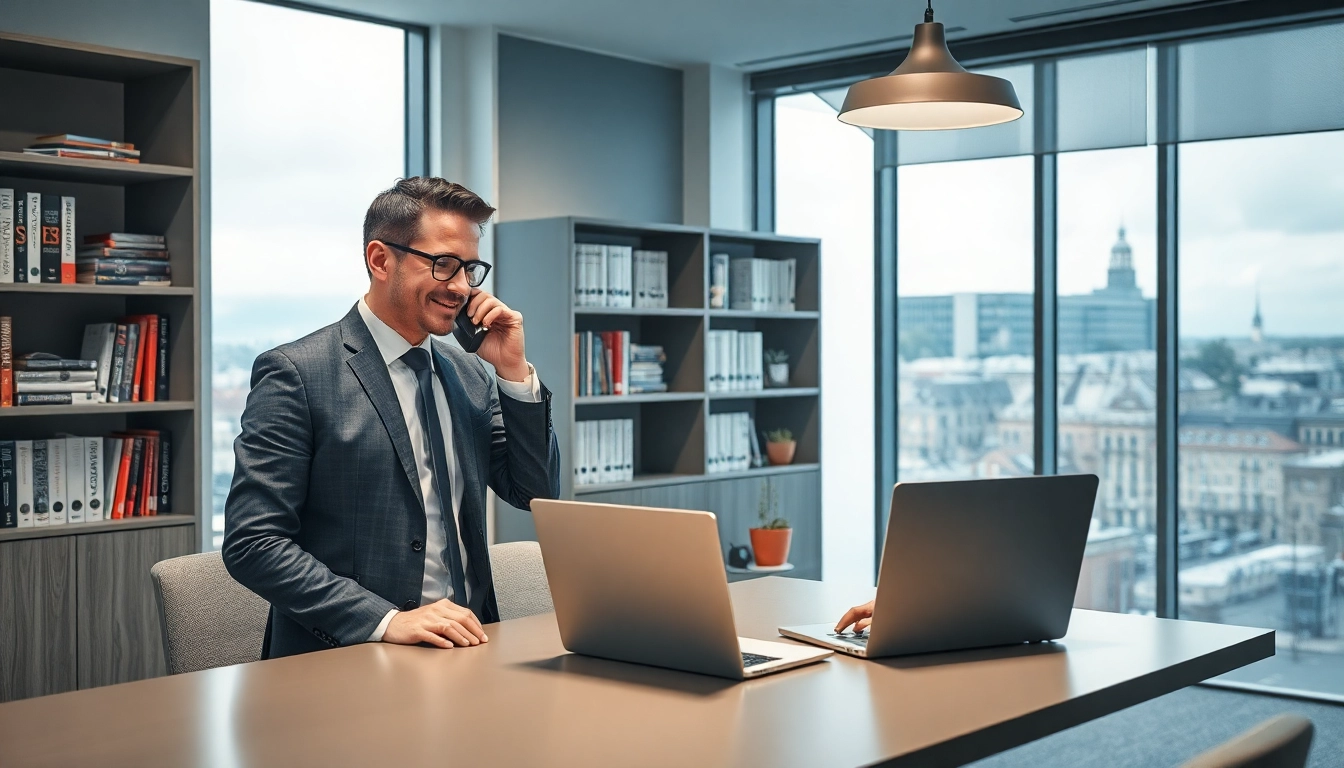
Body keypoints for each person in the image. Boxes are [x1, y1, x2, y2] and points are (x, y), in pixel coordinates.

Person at [223, 177, 560, 658]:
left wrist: (512, 371)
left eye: (470, 269)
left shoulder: (471, 373)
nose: (462, 287)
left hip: (471, 649)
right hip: (347, 659)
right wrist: (387, 621)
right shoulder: (297, 374)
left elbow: (536, 492)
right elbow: (254, 543)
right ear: (380, 260)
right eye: (444, 265)